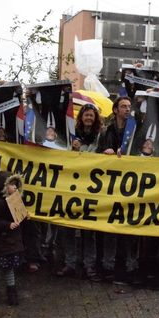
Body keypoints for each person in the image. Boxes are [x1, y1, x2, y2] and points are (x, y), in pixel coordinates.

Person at [56, 104, 102, 280]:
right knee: (68, 227)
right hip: (72, 187)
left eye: (91, 115)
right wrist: (73, 149)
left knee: (88, 231)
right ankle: (70, 263)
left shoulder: (100, 135)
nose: (88, 118)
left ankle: (89, 265)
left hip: (91, 188)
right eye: (86, 115)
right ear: (81, 117)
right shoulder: (71, 134)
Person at [96, 96, 136, 284]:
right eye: (123, 106)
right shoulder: (106, 132)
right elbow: (97, 154)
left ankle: (129, 264)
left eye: (129, 106)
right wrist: (106, 153)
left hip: (130, 185)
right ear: (115, 110)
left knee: (128, 227)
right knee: (110, 226)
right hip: (110, 185)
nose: (127, 109)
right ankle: (108, 264)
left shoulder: (135, 130)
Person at [0, 172, 27, 307]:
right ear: (3, 186)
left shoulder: (14, 200)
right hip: (1, 242)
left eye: (16, 185)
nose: (14, 187)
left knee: (9, 267)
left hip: (11, 242)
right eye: (11, 185)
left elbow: (18, 216)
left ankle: (11, 292)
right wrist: (7, 225)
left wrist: (25, 216)